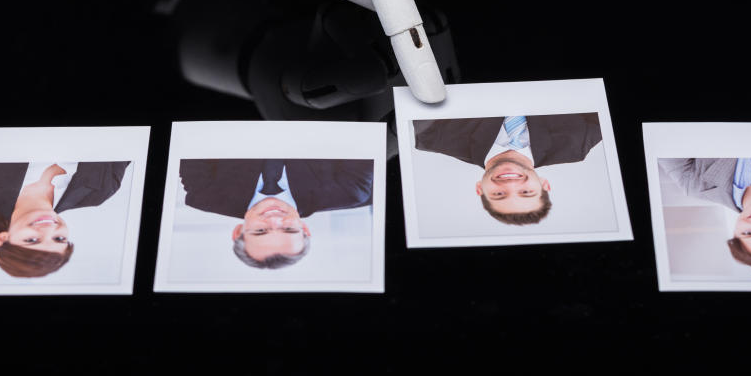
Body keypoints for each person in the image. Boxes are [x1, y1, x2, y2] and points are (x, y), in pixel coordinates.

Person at [0, 160, 129, 277]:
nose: (47, 231)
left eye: (31, 240)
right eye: (59, 239)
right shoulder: (100, 191)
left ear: (2, 238)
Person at [178, 158, 373, 269]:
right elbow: (359, 136)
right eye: (288, 229)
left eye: (261, 231)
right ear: (304, 228)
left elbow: (197, 138)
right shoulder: (349, 192)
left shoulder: (205, 193)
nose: (275, 219)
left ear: (238, 232)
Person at [413, 113, 603, 225]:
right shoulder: (578, 142)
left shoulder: (432, 137)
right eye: (526, 192)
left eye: (499, 194)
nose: (511, 184)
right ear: (544, 185)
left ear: (480, 188)